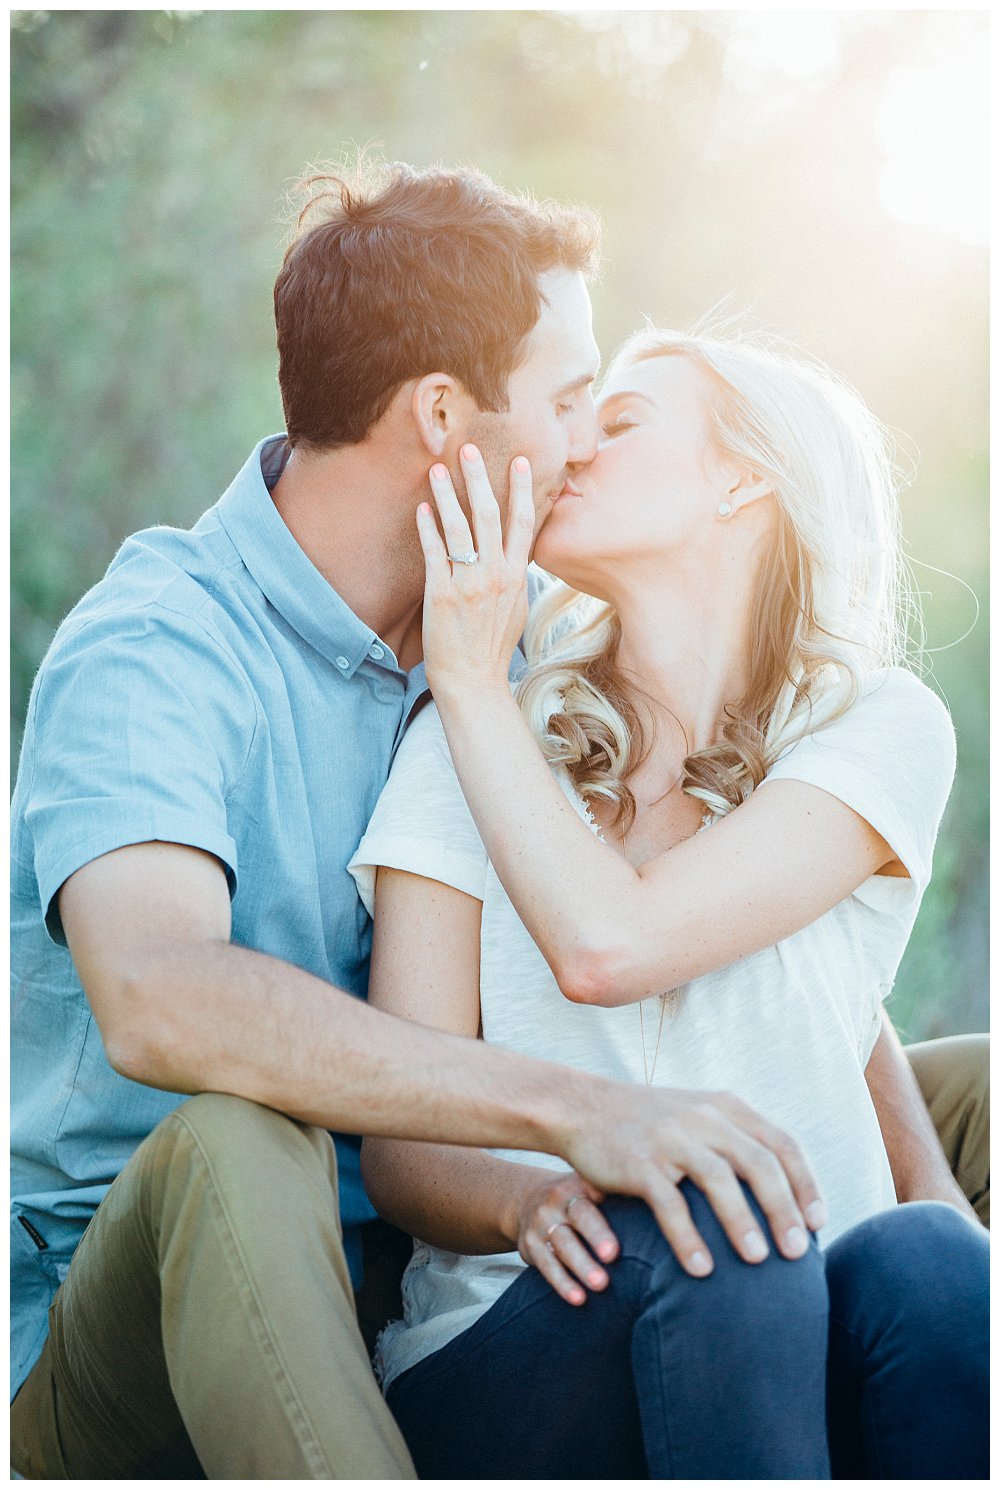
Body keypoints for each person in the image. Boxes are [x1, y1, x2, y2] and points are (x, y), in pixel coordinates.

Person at [8, 160, 984, 1478]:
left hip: (448, 1235)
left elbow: (778, 955)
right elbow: (159, 997)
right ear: (442, 417)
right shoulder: (165, 646)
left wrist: (926, 1204)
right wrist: (572, 1118)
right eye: (574, 400)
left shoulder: (520, 637)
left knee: (960, 1123)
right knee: (243, 1139)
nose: (584, 440)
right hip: (171, 1304)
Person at [351, 327, 989, 1478]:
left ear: (744, 475)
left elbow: (622, 938)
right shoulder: (471, 738)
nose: (567, 446)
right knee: (710, 1235)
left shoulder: (876, 729)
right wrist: (528, 1197)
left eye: (621, 418)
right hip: (524, 1343)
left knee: (935, 1265)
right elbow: (403, 1143)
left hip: (799, 1332)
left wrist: (932, 1193)